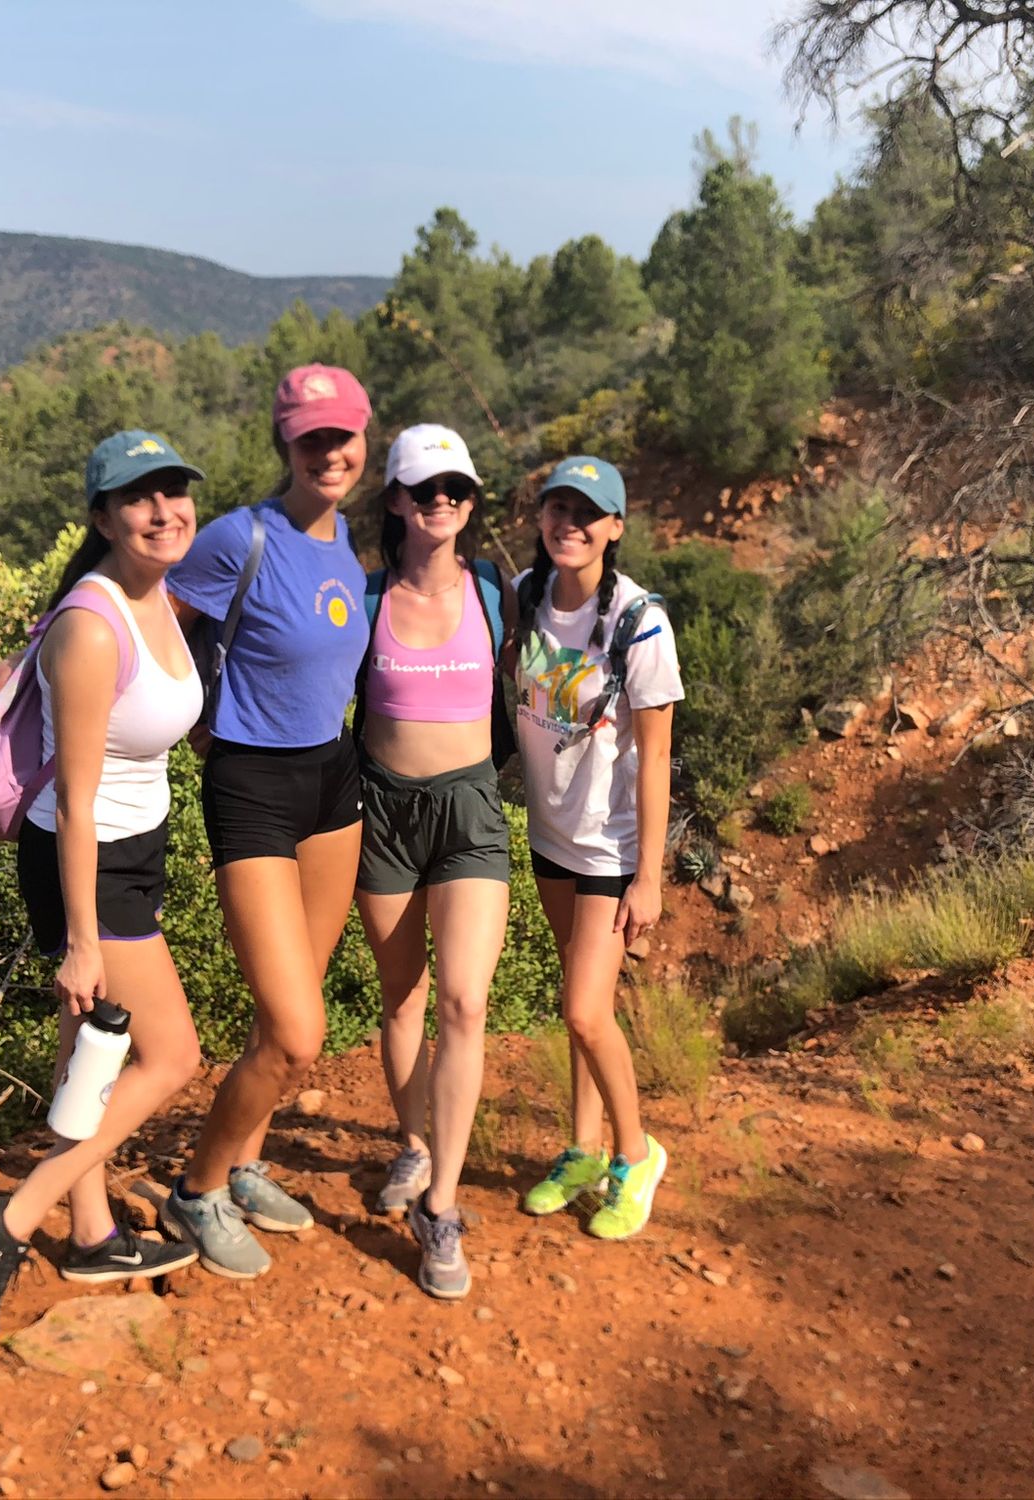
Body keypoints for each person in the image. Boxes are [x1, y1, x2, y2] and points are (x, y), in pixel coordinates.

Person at [0, 430, 210, 1340]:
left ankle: (94, 1233)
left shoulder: (162, 601)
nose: (162, 511)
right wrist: (82, 940)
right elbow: (73, 795)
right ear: (103, 515)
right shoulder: (92, 625)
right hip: (87, 862)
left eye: (174, 492)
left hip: (128, 852)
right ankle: (13, 1218)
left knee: (87, 1071)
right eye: (139, 498)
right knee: (170, 1057)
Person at [153, 365, 374, 1279]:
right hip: (249, 784)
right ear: (284, 444)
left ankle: (245, 1163)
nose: (330, 454)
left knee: (291, 1005)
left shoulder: (351, 539)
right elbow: (135, 611)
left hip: (334, 778)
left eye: (344, 437)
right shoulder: (237, 538)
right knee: (297, 1031)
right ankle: (195, 1188)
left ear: (365, 440)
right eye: (311, 439)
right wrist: (31, 660)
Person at [354, 423, 516, 1300]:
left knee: (464, 999)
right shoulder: (363, 594)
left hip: (470, 810)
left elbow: (585, 609)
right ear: (395, 502)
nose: (443, 502)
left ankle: (441, 1209)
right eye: (425, 491)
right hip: (381, 810)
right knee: (403, 994)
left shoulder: (499, 590)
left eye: (456, 489)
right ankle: (412, 1146)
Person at [511, 455, 683, 1240]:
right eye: (558, 508)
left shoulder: (639, 620)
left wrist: (651, 875)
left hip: (610, 852)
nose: (569, 525)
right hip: (551, 836)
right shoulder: (524, 597)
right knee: (581, 1006)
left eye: (589, 513)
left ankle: (636, 1153)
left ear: (616, 527)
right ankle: (580, 1148)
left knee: (583, 1011)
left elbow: (656, 760)